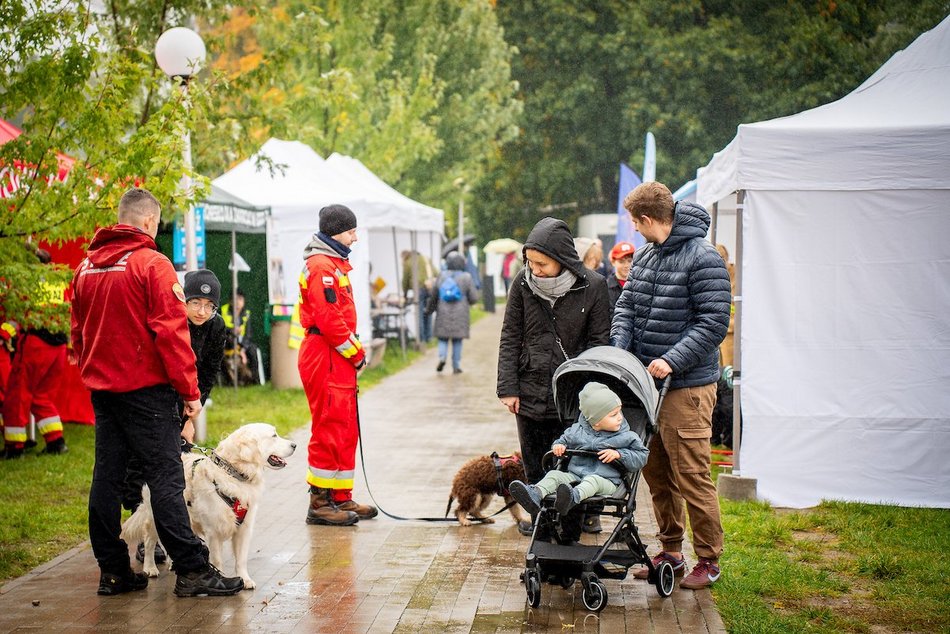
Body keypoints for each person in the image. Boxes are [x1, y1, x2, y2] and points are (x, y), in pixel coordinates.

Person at [70, 187, 243, 597]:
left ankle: (112, 571)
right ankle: (193, 571)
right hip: (148, 394)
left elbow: (77, 332)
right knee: (166, 479)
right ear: (149, 222)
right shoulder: (152, 264)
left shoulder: (84, 268)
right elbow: (171, 333)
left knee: (106, 479)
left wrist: (92, 372)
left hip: (104, 392)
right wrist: (189, 392)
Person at [611, 181, 731, 590]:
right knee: (656, 472)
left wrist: (672, 359)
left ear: (647, 220)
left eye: (634, 222)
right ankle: (672, 552)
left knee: (692, 475)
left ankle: (709, 560)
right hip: (647, 387)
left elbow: (714, 322)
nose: (633, 229)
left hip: (687, 388)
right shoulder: (645, 257)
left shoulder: (704, 258)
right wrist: (620, 352)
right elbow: (626, 306)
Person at [496, 217, 611, 534]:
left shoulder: (594, 286)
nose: (535, 270)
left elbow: (600, 343)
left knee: (572, 468)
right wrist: (508, 387)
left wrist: (591, 393)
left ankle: (569, 538)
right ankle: (542, 533)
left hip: (573, 399)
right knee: (535, 469)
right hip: (530, 391)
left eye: (542, 264)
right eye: (530, 262)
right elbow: (510, 335)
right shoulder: (522, 283)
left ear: (561, 259)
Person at [122, 268, 227, 564]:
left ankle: (172, 532)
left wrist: (191, 413)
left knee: (174, 466)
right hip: (154, 394)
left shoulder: (216, 327)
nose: (202, 311)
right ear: (184, 300)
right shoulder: (170, 319)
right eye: (195, 303)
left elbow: (207, 372)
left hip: (186, 399)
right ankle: (144, 532)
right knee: (141, 464)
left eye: (209, 306)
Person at [298, 204, 377, 526]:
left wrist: (352, 353)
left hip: (335, 357)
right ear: (335, 232)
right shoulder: (322, 267)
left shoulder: (333, 265)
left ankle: (340, 497)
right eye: (351, 231)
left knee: (344, 428)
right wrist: (356, 353)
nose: (355, 238)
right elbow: (329, 320)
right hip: (326, 355)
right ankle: (319, 503)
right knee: (329, 426)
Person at [509, 382, 649, 517]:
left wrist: (619, 454)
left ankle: (572, 498)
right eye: (613, 415)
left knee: (593, 481)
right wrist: (559, 447)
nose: (620, 418)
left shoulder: (627, 436)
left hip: (607, 481)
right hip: (576, 476)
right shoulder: (577, 431)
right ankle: (535, 494)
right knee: (555, 475)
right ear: (596, 421)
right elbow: (562, 441)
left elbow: (642, 455)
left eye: (620, 412)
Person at [3, 249, 69, 458]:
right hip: (58, 347)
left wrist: (4, 333)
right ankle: (56, 442)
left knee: (17, 395)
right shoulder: (57, 282)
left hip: (35, 345)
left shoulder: (28, 283)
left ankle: (14, 449)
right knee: (42, 396)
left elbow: (18, 317)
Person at [425, 251, 479, 374]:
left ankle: (442, 358)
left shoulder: (441, 276)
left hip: (443, 311)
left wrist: (429, 310)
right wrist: (466, 301)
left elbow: (434, 295)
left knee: (443, 338)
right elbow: (474, 297)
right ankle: (456, 365)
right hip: (461, 313)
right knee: (457, 340)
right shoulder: (466, 277)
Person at [221, 288, 260, 384]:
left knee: (252, 350)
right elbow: (220, 330)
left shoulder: (246, 314)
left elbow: (248, 334)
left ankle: (253, 379)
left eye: (240, 299)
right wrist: (231, 331)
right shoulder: (222, 310)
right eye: (235, 299)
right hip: (227, 341)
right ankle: (228, 381)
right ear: (230, 301)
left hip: (242, 343)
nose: (238, 302)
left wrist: (242, 349)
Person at [401, 249, 435, 343]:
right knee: (428, 312)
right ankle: (429, 337)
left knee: (419, 314)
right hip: (429, 289)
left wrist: (405, 295)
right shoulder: (426, 259)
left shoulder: (408, 262)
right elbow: (436, 273)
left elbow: (405, 281)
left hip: (418, 289)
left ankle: (421, 339)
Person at [605, 241, 635, 313]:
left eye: (630, 261)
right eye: (621, 261)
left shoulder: (641, 284)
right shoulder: (606, 287)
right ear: (613, 262)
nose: (626, 265)